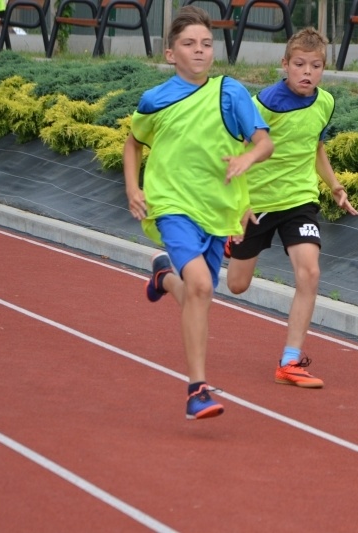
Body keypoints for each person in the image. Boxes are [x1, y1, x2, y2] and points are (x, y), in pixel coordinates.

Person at [123, 6, 274, 420]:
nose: (200, 50)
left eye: (206, 44)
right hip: (171, 205)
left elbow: (264, 142)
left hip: (217, 211)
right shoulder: (155, 100)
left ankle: (164, 277)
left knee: (197, 293)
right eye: (189, 44)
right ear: (171, 53)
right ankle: (197, 390)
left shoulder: (230, 92)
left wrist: (247, 159)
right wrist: (133, 187)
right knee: (203, 286)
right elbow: (133, 142)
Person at [225, 27, 358, 389]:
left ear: (324, 68)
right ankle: (227, 244)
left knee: (310, 272)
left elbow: (315, 147)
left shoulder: (325, 102)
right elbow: (237, 154)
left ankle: (290, 361)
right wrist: (238, 204)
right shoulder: (261, 105)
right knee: (237, 285)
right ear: (284, 64)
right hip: (256, 204)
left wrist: (334, 186)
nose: (307, 72)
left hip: (300, 200)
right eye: (299, 64)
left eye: (315, 66)